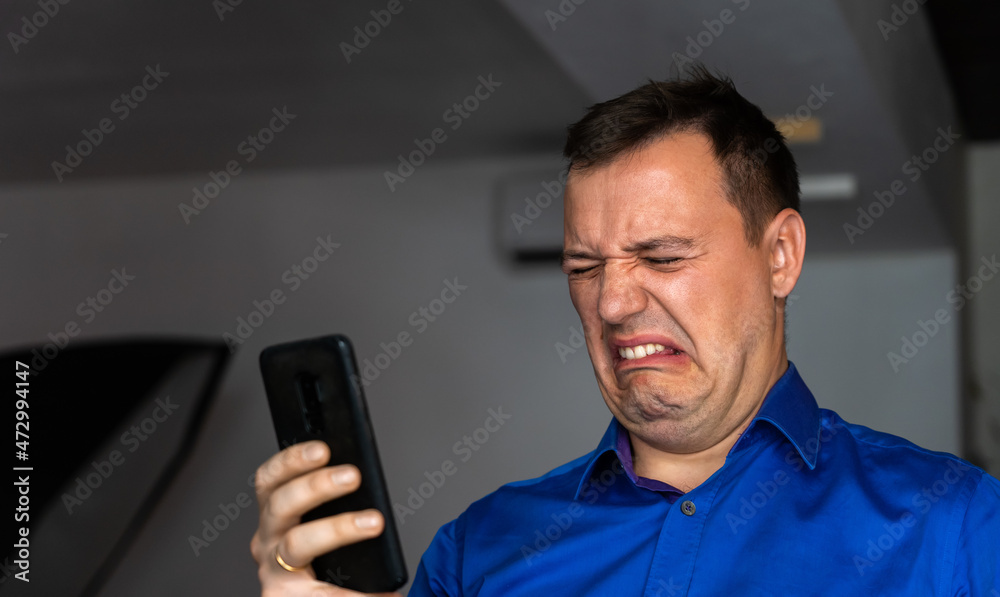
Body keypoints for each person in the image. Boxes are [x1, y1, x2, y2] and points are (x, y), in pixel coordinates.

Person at [251, 67, 1000, 595]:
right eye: (583, 266)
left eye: (662, 256)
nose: (611, 302)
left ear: (780, 255)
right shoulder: (479, 551)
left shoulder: (955, 525)